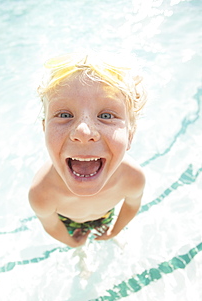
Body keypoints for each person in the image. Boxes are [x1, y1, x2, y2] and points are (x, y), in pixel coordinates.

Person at [29, 52, 147, 248]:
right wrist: (71, 243)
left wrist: (115, 229)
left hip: (105, 214)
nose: (83, 132)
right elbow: (51, 225)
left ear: (130, 135)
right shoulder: (42, 193)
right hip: (70, 223)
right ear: (44, 130)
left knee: (108, 230)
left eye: (107, 115)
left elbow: (132, 205)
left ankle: (111, 235)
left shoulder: (133, 178)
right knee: (79, 249)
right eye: (65, 114)